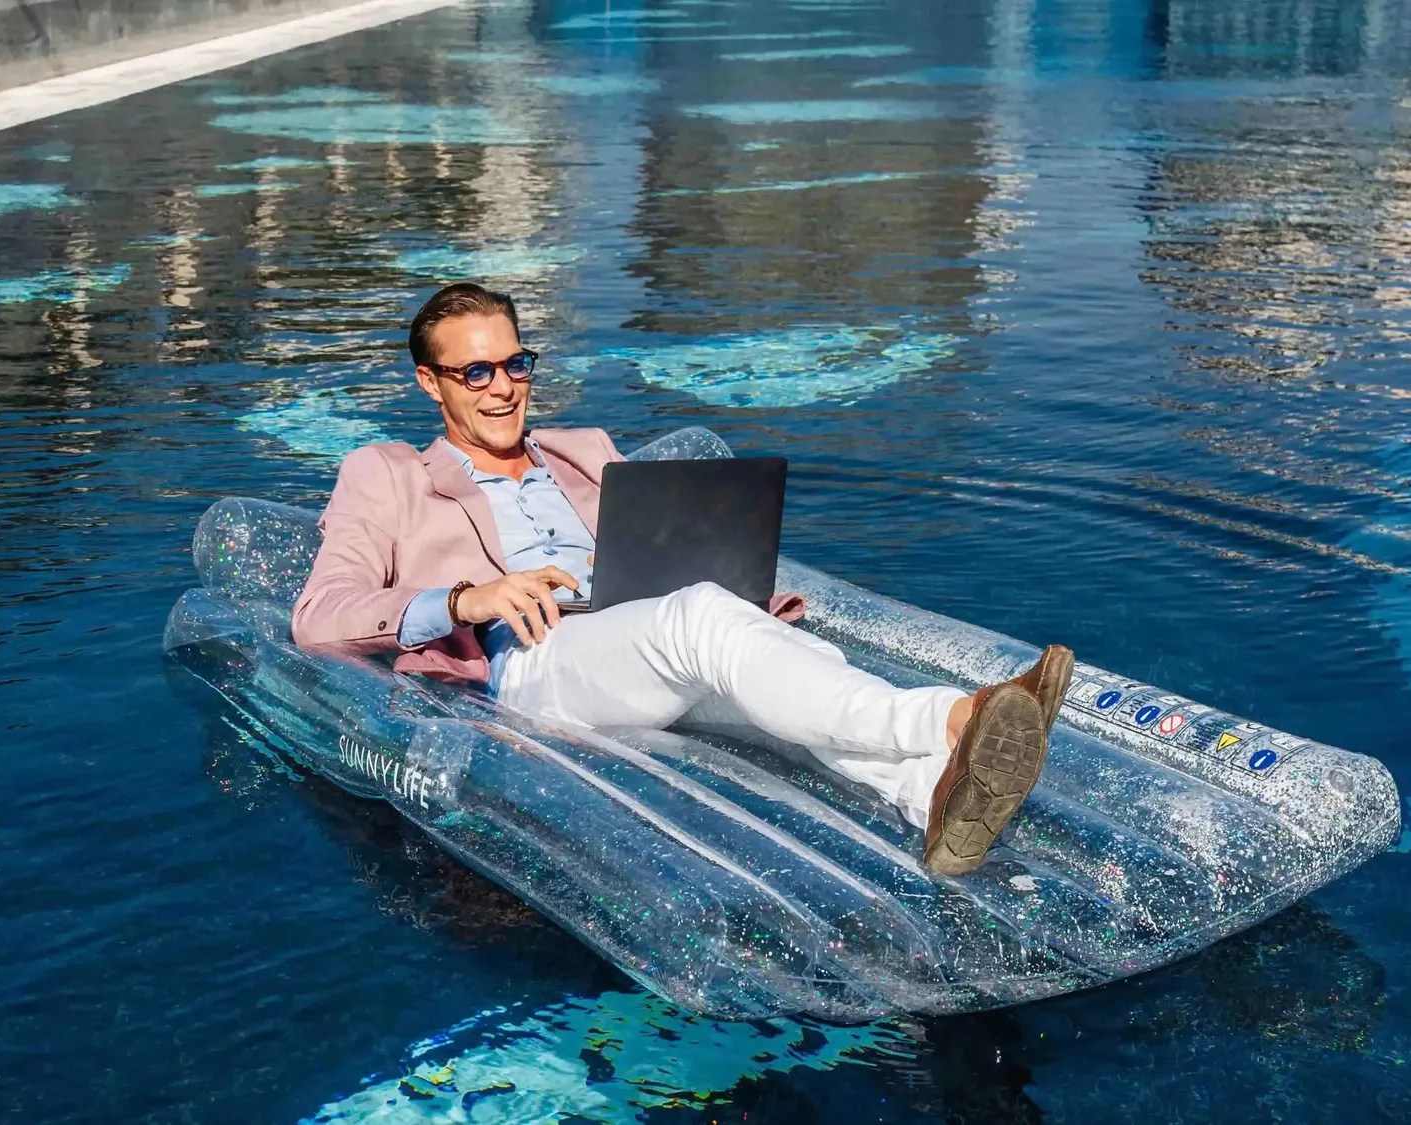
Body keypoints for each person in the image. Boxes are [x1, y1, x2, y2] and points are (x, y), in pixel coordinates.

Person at [293, 282, 1074, 876]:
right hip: (531, 658)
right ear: (431, 383)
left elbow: (663, 544)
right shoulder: (386, 473)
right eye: (476, 372)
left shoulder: (582, 447)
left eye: (516, 363)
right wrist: (469, 598)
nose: (503, 386)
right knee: (699, 618)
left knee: (781, 674)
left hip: (633, 636)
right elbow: (321, 616)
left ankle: (934, 797)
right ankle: (950, 720)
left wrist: (751, 595)